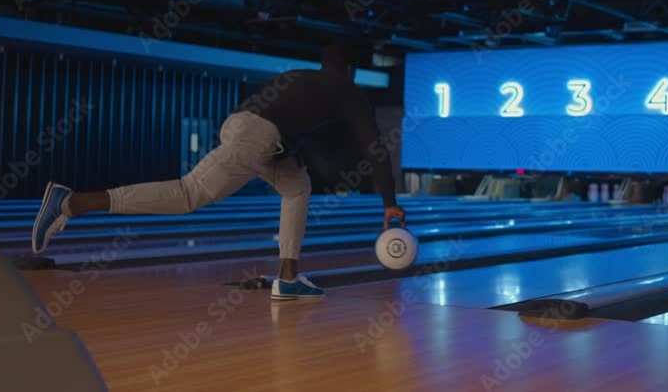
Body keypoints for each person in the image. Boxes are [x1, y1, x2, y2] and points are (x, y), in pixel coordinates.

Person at [31, 43, 407, 300]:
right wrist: (389, 202)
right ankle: (73, 202)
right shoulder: (348, 91)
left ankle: (289, 279)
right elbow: (373, 147)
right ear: (351, 69)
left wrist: (291, 154)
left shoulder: (300, 77)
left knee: (297, 186)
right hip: (259, 138)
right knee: (187, 194)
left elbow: (287, 118)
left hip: (242, 125)